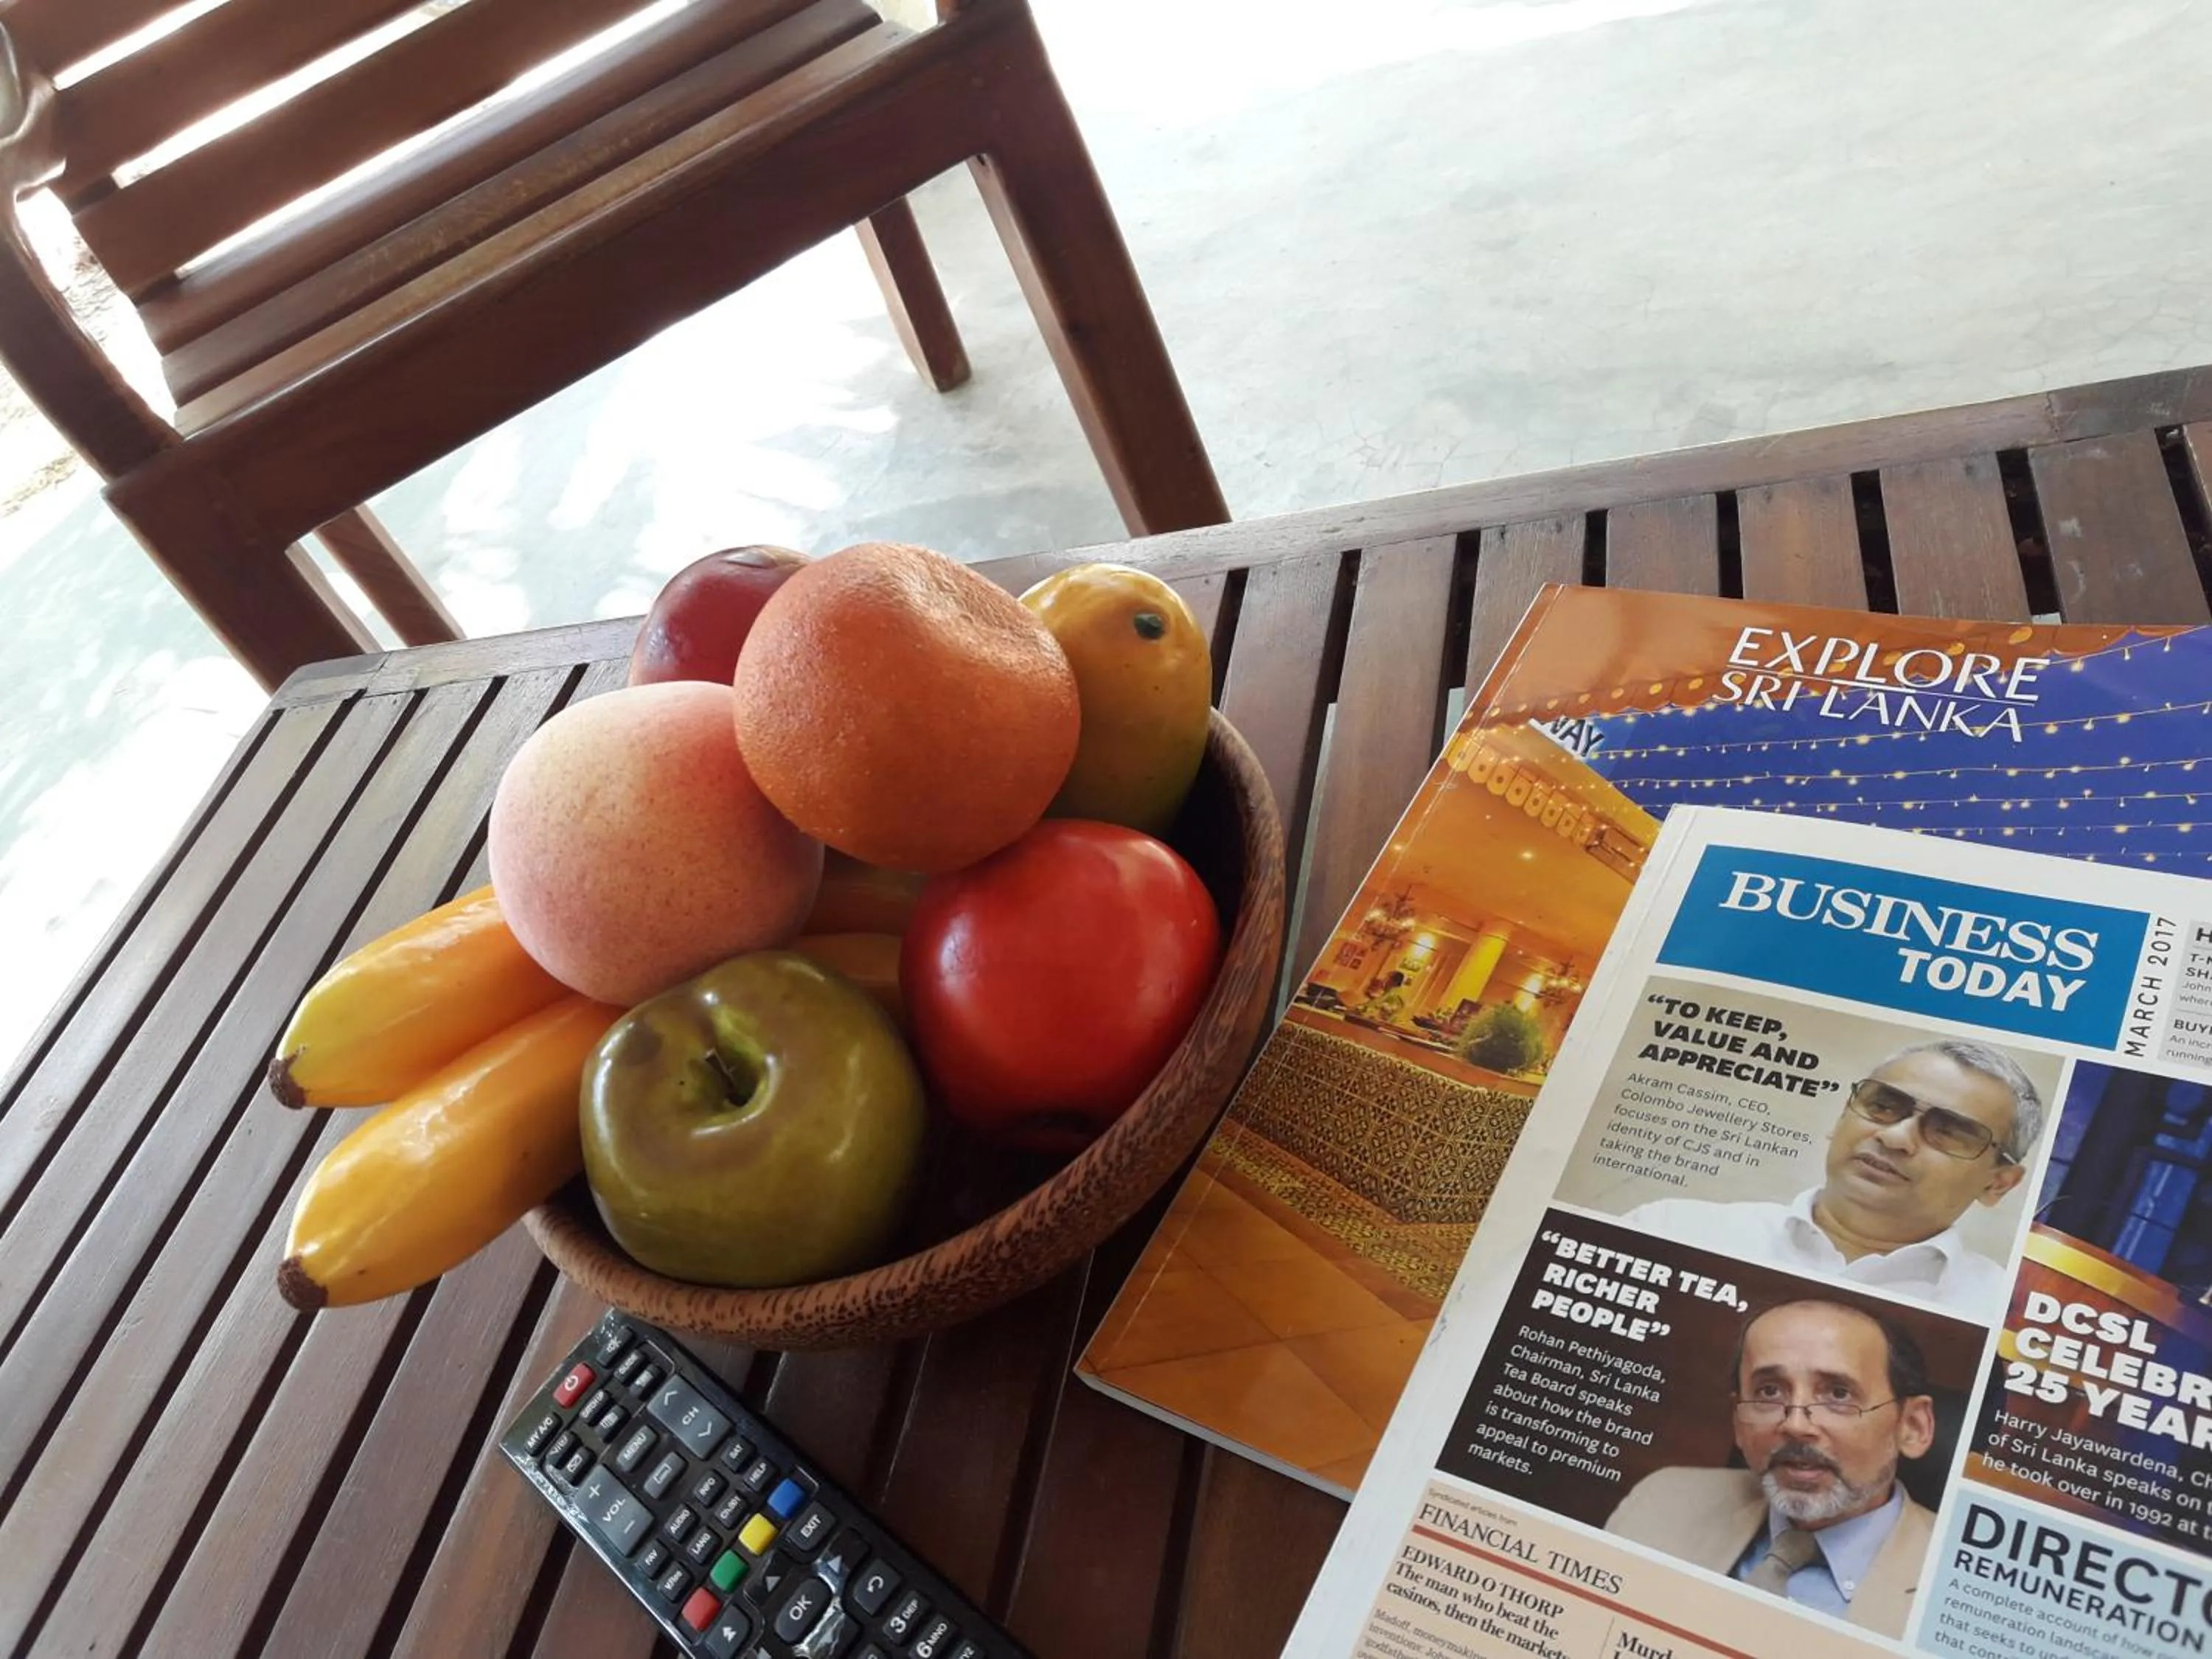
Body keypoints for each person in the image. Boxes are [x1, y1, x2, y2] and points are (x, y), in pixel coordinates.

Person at [1622, 1039, 2040, 1320]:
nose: (1895, 1137)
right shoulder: (1671, 1231)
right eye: (1882, 1106)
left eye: (1948, 1130)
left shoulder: (2003, 1314)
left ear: (1998, 1183)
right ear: (1843, 1115)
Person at [1604, 1300, 1938, 1638]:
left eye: (1838, 1393)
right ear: (1738, 1419)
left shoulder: (1952, 1585)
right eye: (1769, 1391)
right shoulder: (1663, 1500)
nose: (1795, 1425)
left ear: (1912, 1426)